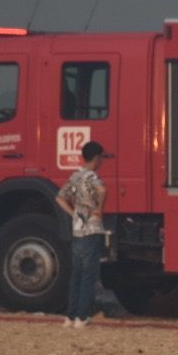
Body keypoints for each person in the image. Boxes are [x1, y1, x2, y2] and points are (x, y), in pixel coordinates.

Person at [56, 140, 109, 328]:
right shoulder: (93, 177)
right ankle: (82, 315)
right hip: (92, 228)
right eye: (101, 157)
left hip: (78, 228)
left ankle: (69, 316)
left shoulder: (75, 177)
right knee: (89, 275)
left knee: (76, 274)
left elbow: (60, 197)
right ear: (96, 158)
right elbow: (102, 189)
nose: (102, 161)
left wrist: (73, 214)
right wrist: (99, 208)